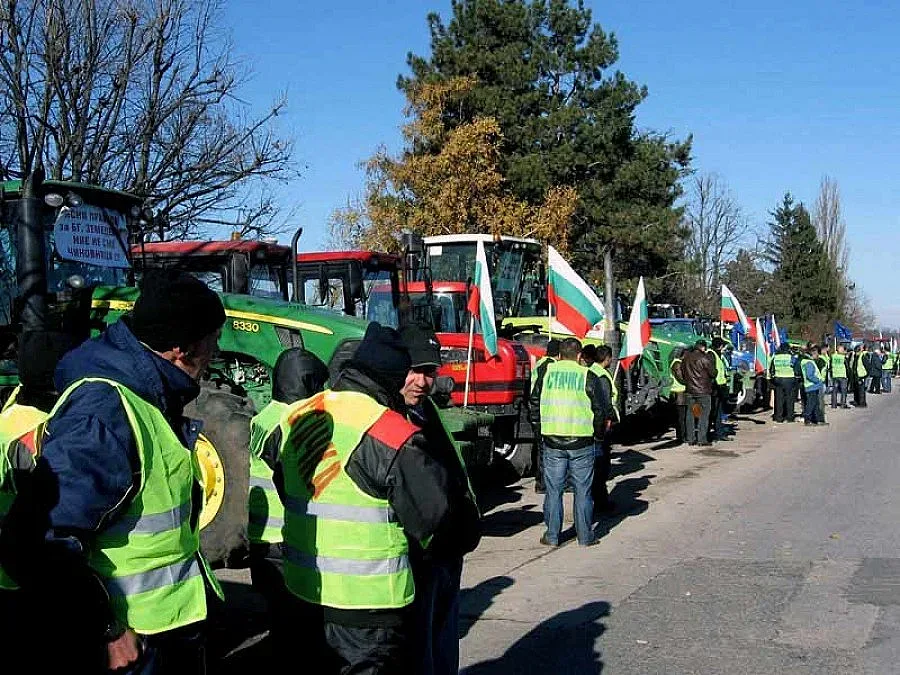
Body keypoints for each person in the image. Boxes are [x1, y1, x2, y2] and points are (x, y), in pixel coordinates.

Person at [0, 270, 227, 673]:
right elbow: (33, 539)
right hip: (135, 646)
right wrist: (107, 630)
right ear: (181, 349)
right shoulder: (105, 412)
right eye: (213, 341)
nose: (216, 351)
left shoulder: (147, 396)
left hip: (163, 634)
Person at [277, 322, 473, 675]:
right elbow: (437, 514)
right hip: (368, 604)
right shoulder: (388, 430)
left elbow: (285, 484)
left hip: (307, 590)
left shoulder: (298, 415)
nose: (420, 383)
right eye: (412, 372)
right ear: (393, 374)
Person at [400, 323, 481, 675]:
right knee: (421, 653)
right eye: (415, 370)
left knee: (442, 644)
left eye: (430, 372)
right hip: (423, 554)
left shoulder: (427, 411)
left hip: (449, 550)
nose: (423, 381)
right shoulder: (388, 417)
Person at [248, 348, 329, 665]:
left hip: (259, 536)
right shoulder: (291, 423)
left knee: (281, 623)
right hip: (286, 539)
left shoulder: (262, 417)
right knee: (301, 630)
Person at [530, 337, 609, 547]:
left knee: (553, 490)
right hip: (581, 441)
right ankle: (585, 536)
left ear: (559, 355)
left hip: (552, 440)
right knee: (583, 490)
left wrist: (539, 431)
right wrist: (599, 436)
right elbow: (600, 410)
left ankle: (552, 535)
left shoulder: (546, 373)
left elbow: (534, 402)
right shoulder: (587, 375)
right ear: (579, 355)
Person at [579, 344, 618, 516]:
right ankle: (600, 502)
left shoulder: (592, 372)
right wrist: (609, 421)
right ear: (607, 358)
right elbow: (604, 404)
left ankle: (600, 499)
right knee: (600, 467)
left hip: (595, 425)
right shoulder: (600, 376)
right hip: (601, 427)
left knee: (598, 467)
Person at [529, 339, 560, 493]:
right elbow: (538, 393)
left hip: (538, 412)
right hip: (544, 414)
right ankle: (542, 484)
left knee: (541, 450)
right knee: (545, 451)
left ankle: (542, 482)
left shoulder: (541, 364)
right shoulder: (551, 367)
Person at [681, 340, 717, 445]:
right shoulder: (705, 358)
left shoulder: (686, 358)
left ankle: (690, 438)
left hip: (690, 391)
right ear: (703, 347)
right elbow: (713, 373)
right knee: (703, 415)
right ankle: (702, 439)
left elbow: (683, 373)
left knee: (691, 415)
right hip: (703, 391)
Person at [769, 343, 796, 423]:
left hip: (778, 379)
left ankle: (779, 417)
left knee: (779, 399)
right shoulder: (791, 357)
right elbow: (796, 367)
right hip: (789, 379)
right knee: (789, 399)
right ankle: (790, 417)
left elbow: (771, 369)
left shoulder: (775, 357)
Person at [709, 338, 730, 440]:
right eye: (723, 346)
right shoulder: (712, 355)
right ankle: (712, 433)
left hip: (719, 387)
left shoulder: (717, 355)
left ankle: (719, 432)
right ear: (720, 346)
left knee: (718, 412)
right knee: (713, 411)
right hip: (715, 387)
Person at [800, 345, 827, 425]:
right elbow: (809, 375)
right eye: (817, 354)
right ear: (813, 353)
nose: (818, 355)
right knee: (811, 404)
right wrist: (818, 380)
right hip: (811, 386)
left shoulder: (807, 361)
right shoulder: (809, 362)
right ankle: (807, 419)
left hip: (812, 386)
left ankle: (819, 420)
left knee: (816, 404)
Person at [670, 347, 688, 443]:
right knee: (681, 417)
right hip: (679, 394)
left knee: (681, 417)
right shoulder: (677, 364)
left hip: (680, 393)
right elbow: (681, 378)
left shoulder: (678, 363)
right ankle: (681, 436)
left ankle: (682, 435)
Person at [830, 344, 850, 409]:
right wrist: (848, 375)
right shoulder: (843, 357)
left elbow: (830, 365)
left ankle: (834, 405)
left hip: (835, 375)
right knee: (843, 391)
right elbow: (847, 367)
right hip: (842, 375)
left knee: (834, 391)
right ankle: (843, 404)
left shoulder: (833, 356)